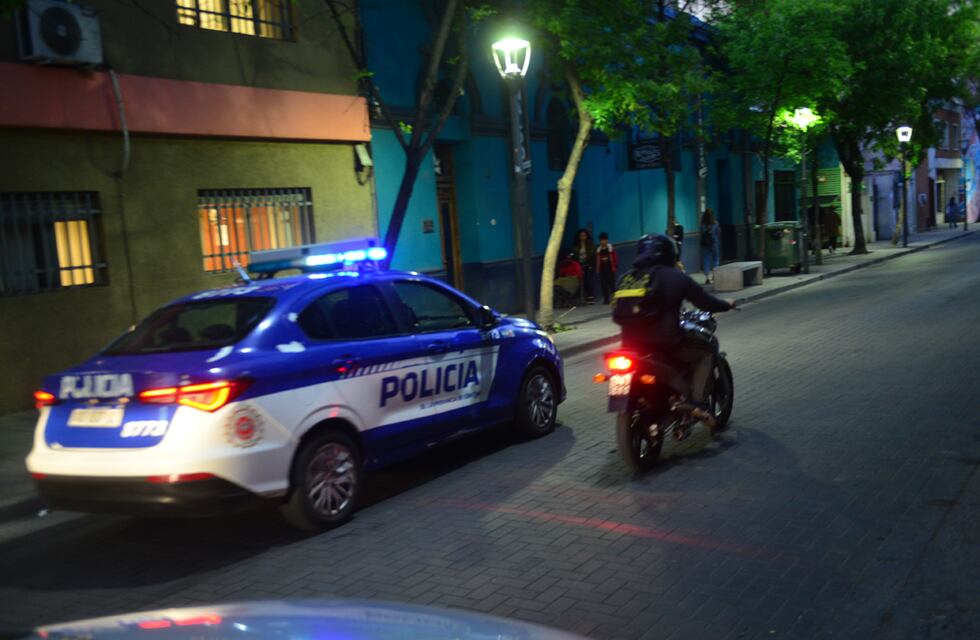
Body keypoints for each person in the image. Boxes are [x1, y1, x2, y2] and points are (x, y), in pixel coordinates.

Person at [615, 234, 735, 410]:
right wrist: (727, 304)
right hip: (668, 344)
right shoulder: (675, 277)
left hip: (631, 346)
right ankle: (697, 402)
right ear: (669, 254)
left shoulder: (625, 279)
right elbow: (705, 302)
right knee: (707, 350)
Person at [595, 232, 618, 304]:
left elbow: (615, 257)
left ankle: (614, 298)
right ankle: (606, 299)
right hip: (602, 270)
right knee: (603, 285)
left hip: (610, 269)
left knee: (612, 284)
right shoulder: (598, 250)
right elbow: (597, 260)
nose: (603, 242)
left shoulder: (610, 248)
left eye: (604, 240)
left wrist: (615, 265)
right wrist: (598, 269)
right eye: (601, 240)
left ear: (607, 240)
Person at [699, 208, 721, 285]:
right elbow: (718, 232)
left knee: (706, 260)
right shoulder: (715, 223)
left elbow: (701, 233)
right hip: (714, 243)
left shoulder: (702, 224)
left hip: (705, 244)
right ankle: (715, 275)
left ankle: (707, 277)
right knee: (716, 259)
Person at [575, 229, 596, 303]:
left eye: (584, 235)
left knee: (588, 279)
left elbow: (592, 253)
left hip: (589, 264)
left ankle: (590, 295)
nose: (582, 237)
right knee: (582, 280)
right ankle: (586, 295)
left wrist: (587, 257)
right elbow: (575, 253)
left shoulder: (590, 243)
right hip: (580, 264)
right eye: (581, 236)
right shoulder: (577, 245)